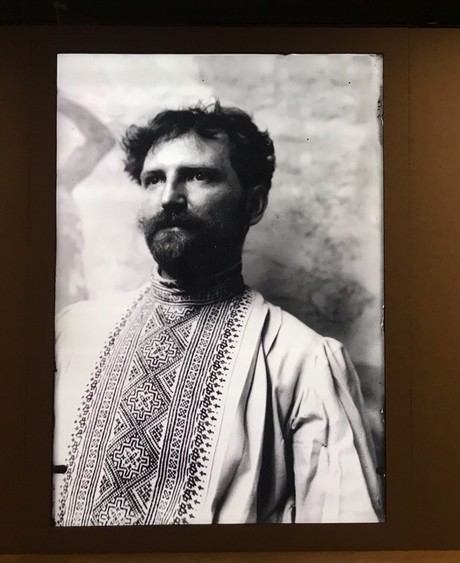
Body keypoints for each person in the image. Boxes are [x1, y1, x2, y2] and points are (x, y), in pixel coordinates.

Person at [53, 101, 383, 526]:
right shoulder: (74, 333)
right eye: (154, 179)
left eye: (198, 176)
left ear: (254, 204)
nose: (169, 198)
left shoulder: (303, 361)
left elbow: (341, 539)